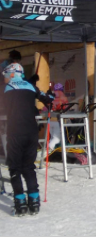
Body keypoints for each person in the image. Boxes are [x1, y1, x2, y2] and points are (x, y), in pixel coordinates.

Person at [3, 63, 54, 216]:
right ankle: (34, 201)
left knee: (15, 168)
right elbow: (49, 99)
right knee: (28, 167)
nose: (4, 78)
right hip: (31, 132)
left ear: (12, 74)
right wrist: (50, 95)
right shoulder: (30, 86)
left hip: (15, 132)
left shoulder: (7, 88)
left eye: (5, 75)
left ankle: (20, 204)